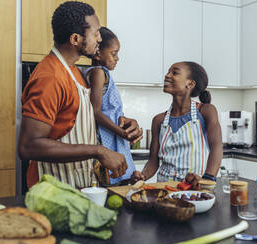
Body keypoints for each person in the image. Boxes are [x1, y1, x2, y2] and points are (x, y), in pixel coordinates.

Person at [18, 1, 142, 189]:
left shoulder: (75, 72)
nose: (100, 39)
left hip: (76, 186)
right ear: (75, 39)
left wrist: (122, 121)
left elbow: (84, 117)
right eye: (96, 33)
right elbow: (28, 146)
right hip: (52, 190)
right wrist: (99, 151)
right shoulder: (50, 77)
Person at [130, 61, 222, 189]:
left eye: (174, 72)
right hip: (164, 188)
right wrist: (142, 175)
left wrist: (208, 179)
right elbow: (153, 161)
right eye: (168, 72)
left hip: (194, 188)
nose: (167, 75)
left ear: (190, 83)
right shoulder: (158, 120)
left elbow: (216, 148)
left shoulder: (206, 111)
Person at [83, 27, 140, 185]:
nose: (117, 58)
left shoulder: (102, 73)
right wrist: (121, 132)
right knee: (112, 182)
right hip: (108, 136)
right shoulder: (98, 73)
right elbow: (95, 111)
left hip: (114, 135)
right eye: (113, 53)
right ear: (99, 53)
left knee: (121, 181)